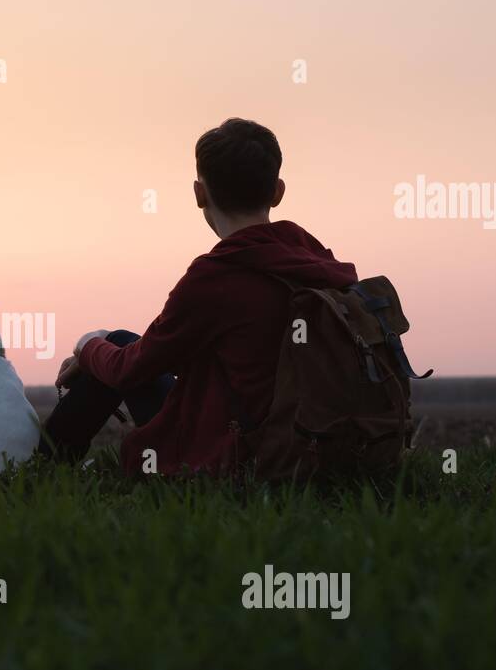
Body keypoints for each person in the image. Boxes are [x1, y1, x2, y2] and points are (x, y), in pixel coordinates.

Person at [40, 118, 360, 476]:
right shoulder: (316, 260)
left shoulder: (214, 277)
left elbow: (130, 370)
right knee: (121, 343)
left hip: (248, 452)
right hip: (323, 441)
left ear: (199, 193)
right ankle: (42, 466)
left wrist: (86, 347)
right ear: (278, 191)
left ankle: (39, 469)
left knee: (112, 347)